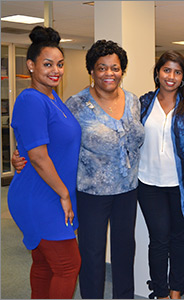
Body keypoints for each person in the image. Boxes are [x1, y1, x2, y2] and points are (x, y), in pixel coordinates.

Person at [66, 40, 144, 298]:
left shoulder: (134, 101)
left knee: (124, 250)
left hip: (127, 190)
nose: (109, 73)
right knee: (92, 253)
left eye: (115, 67)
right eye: (102, 68)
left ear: (123, 71)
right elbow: (59, 141)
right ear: (91, 71)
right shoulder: (76, 104)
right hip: (92, 193)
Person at [8, 26, 81, 299]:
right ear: (31, 65)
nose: (56, 70)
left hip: (51, 192)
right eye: (48, 64)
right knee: (68, 265)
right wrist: (64, 194)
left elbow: (33, 143)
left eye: (60, 64)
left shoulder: (52, 97)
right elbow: (38, 156)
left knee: (44, 265)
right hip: (41, 196)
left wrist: (19, 154)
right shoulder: (31, 99)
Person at [137, 50, 184, 299]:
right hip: (148, 183)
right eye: (166, 70)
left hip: (181, 185)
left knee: (178, 238)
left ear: (183, 77)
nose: (171, 76)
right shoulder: (143, 103)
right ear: (157, 73)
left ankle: (176, 290)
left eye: (177, 72)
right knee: (158, 239)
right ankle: (161, 292)